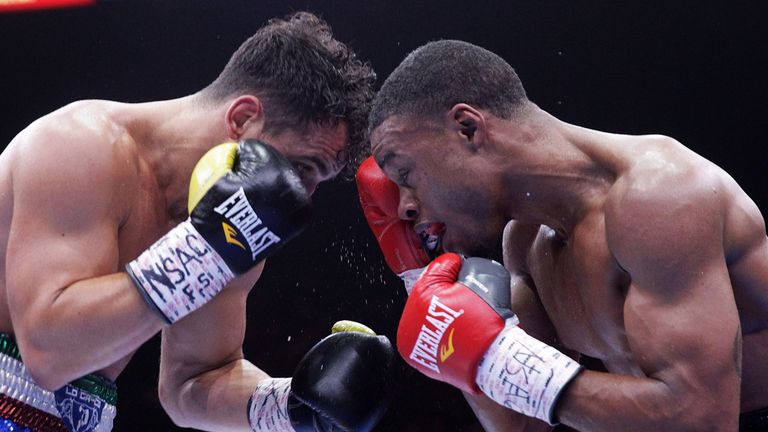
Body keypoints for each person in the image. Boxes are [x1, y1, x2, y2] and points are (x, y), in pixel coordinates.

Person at [0, 11, 396, 432]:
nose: (299, 195)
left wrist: (289, 408)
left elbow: (192, 383)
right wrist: (201, 254)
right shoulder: (80, 147)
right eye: (301, 168)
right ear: (242, 119)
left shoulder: (226, 227)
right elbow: (48, 354)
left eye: (316, 182)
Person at [356, 39, 768, 431]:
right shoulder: (525, 243)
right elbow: (524, 424)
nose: (403, 208)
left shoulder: (660, 196)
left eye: (405, 174)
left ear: (467, 128)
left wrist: (504, 363)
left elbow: (706, 418)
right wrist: (423, 283)